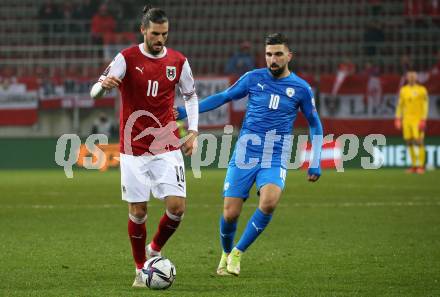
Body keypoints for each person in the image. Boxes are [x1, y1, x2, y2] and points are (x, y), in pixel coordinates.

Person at [177, 33, 323, 276]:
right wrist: (186, 110)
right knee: (231, 212)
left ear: (289, 56)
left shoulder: (301, 88)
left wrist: (315, 160)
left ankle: (238, 253)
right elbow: (223, 97)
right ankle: (225, 252)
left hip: (275, 154)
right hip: (246, 152)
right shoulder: (253, 78)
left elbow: (315, 124)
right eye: (268, 54)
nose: (272, 59)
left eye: (278, 54)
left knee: (269, 202)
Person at [89, 6, 199, 287]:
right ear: (143, 30)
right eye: (155, 33)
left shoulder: (178, 61)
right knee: (138, 211)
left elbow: (191, 96)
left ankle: (155, 250)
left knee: (177, 208)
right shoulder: (126, 57)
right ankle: (140, 269)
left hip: (167, 145)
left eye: (164, 34)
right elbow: (94, 90)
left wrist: (194, 131)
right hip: (133, 147)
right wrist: (105, 85)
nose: (160, 39)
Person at [394, 70, 429, 174]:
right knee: (409, 142)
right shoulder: (403, 90)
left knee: (419, 142)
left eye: (413, 76)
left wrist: (423, 119)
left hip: (418, 119)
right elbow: (400, 105)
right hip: (406, 120)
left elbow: (425, 105)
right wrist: (397, 118)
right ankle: (414, 166)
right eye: (409, 76)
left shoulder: (422, 90)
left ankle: (421, 166)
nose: (411, 78)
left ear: (416, 78)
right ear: (407, 78)